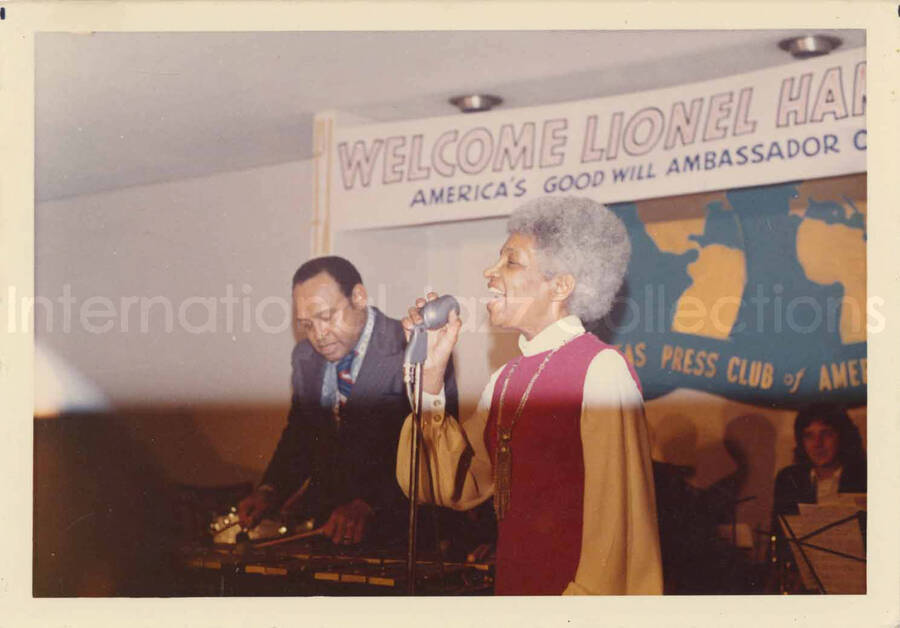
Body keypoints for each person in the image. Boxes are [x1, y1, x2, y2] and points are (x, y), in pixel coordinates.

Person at [396, 196, 663, 595]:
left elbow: (616, 530)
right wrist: (430, 382)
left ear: (560, 285)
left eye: (511, 262)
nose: (490, 272)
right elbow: (453, 484)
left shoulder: (602, 371)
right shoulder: (505, 380)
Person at [238, 256, 458, 546]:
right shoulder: (304, 358)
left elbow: (431, 448)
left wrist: (368, 503)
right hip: (328, 530)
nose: (319, 335)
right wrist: (270, 489)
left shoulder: (415, 346)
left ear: (358, 296)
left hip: (403, 534)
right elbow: (301, 435)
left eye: (327, 317)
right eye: (306, 325)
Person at [772, 404, 866, 517]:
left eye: (826, 434)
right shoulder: (788, 478)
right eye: (809, 436)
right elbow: (777, 531)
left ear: (842, 436)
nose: (817, 444)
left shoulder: (864, 476)